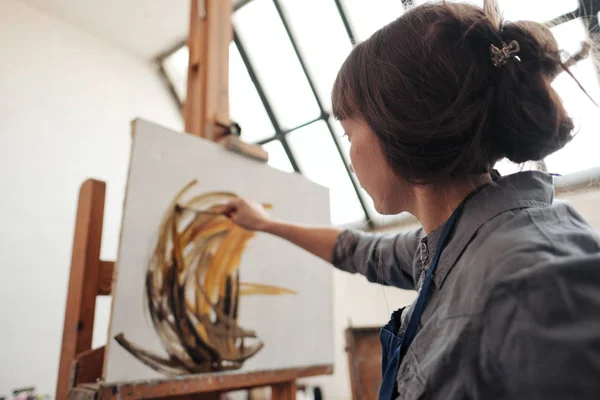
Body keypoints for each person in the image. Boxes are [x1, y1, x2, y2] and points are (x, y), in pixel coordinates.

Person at [222, 0, 600, 398]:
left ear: (399, 128)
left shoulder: (531, 282)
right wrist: (263, 224)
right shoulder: (454, 241)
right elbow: (358, 250)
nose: (350, 160)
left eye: (349, 136)